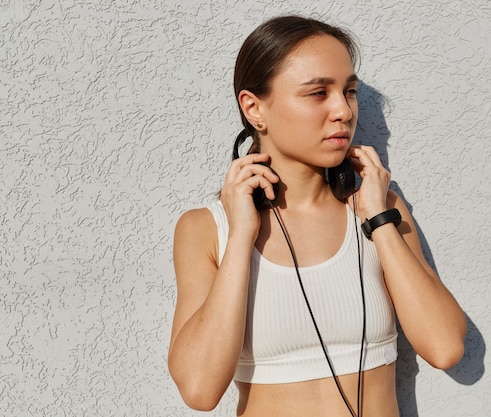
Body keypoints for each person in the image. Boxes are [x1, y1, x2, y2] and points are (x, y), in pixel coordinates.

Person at [168, 15, 467, 417]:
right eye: (317, 93)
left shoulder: (381, 210)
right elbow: (199, 390)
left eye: (349, 91)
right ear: (254, 108)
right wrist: (241, 236)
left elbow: (445, 347)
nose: (343, 111)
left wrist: (378, 220)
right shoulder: (207, 230)